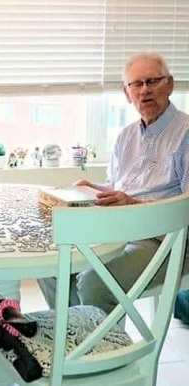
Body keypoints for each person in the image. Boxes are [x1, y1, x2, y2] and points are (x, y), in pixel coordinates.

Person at [38, 52, 189, 314]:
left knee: (94, 283)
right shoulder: (126, 136)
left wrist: (133, 204)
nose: (145, 90)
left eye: (152, 81)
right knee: (50, 264)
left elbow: (185, 207)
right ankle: (78, 340)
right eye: (137, 84)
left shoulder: (185, 133)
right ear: (126, 93)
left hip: (165, 239)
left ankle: (104, 350)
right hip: (118, 228)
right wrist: (91, 189)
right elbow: (118, 186)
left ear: (170, 85)